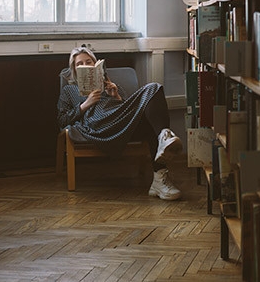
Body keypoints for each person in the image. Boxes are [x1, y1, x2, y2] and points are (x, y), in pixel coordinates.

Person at [57, 46, 183, 200]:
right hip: (99, 125)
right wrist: (85, 105)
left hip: (121, 121)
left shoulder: (109, 84)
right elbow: (62, 120)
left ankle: (159, 178)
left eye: (89, 62)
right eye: (79, 64)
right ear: (74, 70)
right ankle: (164, 139)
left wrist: (116, 96)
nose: (85, 65)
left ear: (96, 64)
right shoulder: (69, 90)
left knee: (154, 88)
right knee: (151, 97)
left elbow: (128, 107)